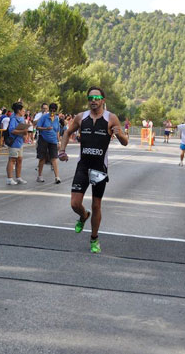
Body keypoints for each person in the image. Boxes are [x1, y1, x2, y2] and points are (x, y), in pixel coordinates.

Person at [59, 86, 128, 254]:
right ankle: (83, 216)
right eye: (90, 98)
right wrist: (61, 150)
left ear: (103, 100)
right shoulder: (81, 117)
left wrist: (118, 134)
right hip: (83, 165)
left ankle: (94, 238)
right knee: (75, 203)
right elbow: (67, 133)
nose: (93, 101)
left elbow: (125, 141)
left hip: (99, 168)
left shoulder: (111, 118)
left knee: (96, 205)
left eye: (97, 98)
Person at [36, 103, 61, 184]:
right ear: (49, 110)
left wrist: (58, 141)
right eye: (51, 110)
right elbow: (37, 127)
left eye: (54, 110)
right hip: (43, 139)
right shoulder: (44, 117)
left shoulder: (57, 118)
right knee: (42, 158)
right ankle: (39, 176)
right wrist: (45, 128)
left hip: (53, 140)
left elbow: (57, 131)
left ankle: (57, 177)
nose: (52, 112)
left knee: (54, 158)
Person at [6, 102, 29, 185]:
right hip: (14, 143)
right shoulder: (13, 119)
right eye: (23, 110)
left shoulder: (22, 119)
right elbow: (11, 130)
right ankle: (9, 178)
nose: (24, 111)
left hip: (20, 142)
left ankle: (18, 177)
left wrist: (24, 134)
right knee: (12, 160)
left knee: (19, 160)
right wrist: (23, 131)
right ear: (19, 110)